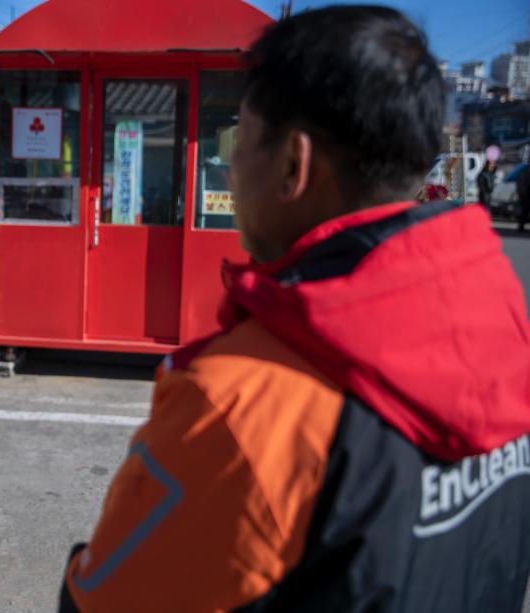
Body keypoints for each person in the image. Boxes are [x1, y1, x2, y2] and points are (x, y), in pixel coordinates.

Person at [60, 6, 530, 612]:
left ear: (292, 164)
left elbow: (105, 601)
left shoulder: (237, 395)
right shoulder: (504, 323)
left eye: (240, 139)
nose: (231, 163)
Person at [517, 162, 530, 232]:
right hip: (525, 195)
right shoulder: (525, 172)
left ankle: (521, 226)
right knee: (524, 211)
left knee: (523, 211)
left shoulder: (523, 171)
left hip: (523, 195)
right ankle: (521, 226)